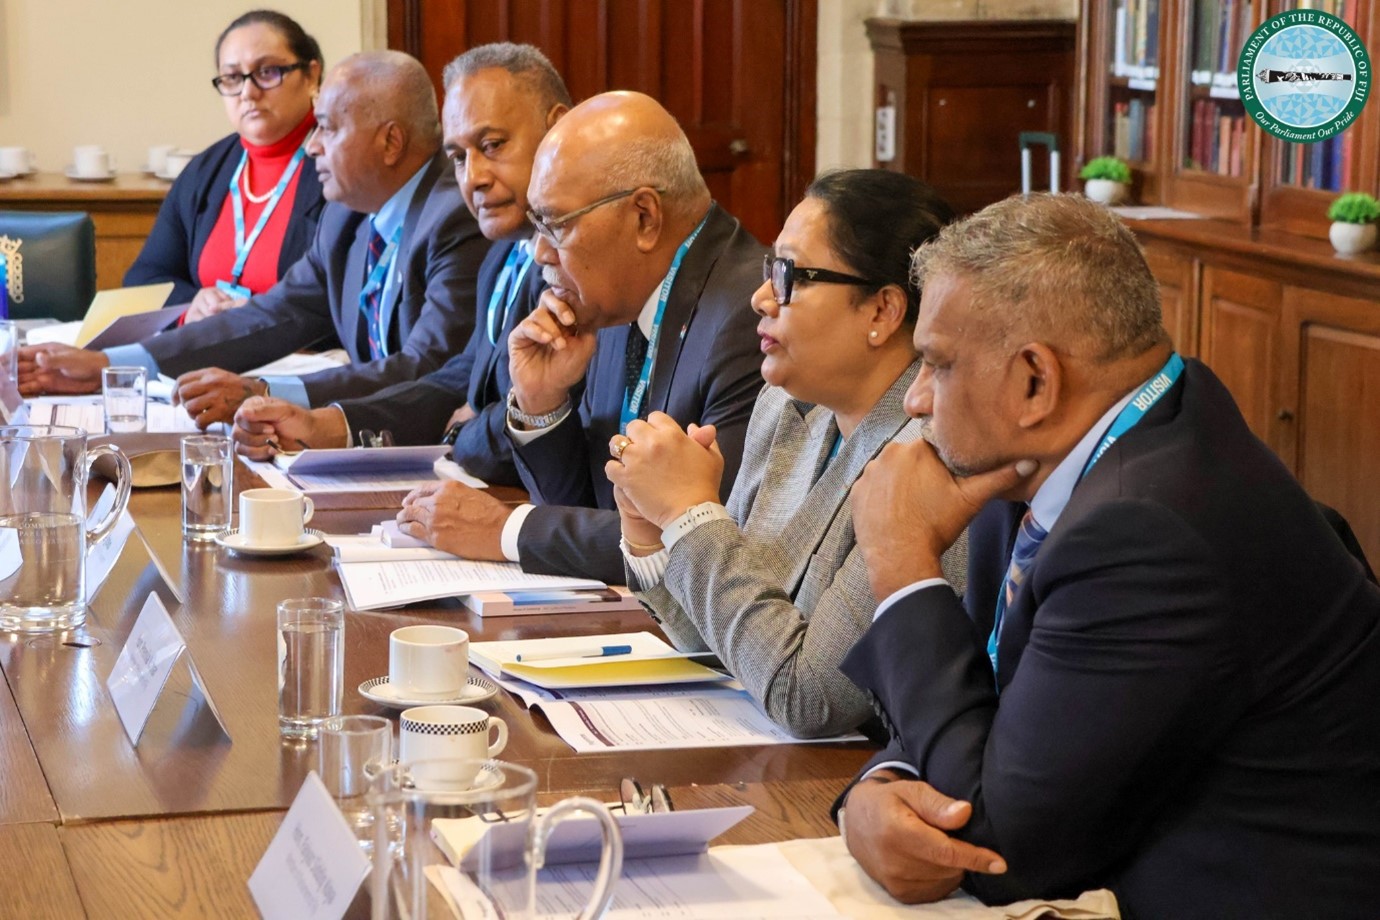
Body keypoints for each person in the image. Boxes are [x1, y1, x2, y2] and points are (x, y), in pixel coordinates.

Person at [836, 193, 1380, 916]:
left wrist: (902, 566)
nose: (916, 399)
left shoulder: (1148, 531)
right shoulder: (1063, 451)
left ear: (1035, 380)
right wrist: (878, 787)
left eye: (936, 363)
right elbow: (977, 701)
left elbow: (1000, 847)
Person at [606, 170, 967, 738]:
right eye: (768, 268)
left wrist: (692, 516)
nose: (760, 297)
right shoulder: (786, 407)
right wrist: (653, 533)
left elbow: (809, 698)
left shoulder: (933, 457)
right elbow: (725, 639)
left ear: (882, 311)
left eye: (790, 275)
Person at [395, 91, 765, 585]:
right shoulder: (614, 298)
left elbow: (704, 540)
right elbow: (584, 502)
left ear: (644, 217)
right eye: (536, 225)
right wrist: (542, 403)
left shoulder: (750, 316)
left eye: (556, 225)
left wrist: (506, 530)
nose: (540, 253)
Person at [18, 50, 487, 428]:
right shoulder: (346, 215)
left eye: (326, 128)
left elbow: (427, 368)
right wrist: (110, 364)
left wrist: (264, 392)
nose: (312, 146)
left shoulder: (457, 216)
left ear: (391, 142)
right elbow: (272, 317)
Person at [231, 42, 570, 486]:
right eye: (459, 157)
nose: (474, 178)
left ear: (557, 129)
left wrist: (461, 432)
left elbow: (524, 422)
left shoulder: (579, 266)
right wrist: (327, 425)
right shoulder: (503, 252)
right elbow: (460, 380)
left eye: (492, 145)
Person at [125, 10, 328, 323]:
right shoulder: (203, 171)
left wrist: (262, 318)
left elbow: (343, 296)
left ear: (311, 76)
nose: (248, 93)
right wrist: (191, 306)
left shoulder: (340, 165)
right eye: (232, 78)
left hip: (300, 351)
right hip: (208, 348)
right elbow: (144, 278)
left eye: (267, 72)